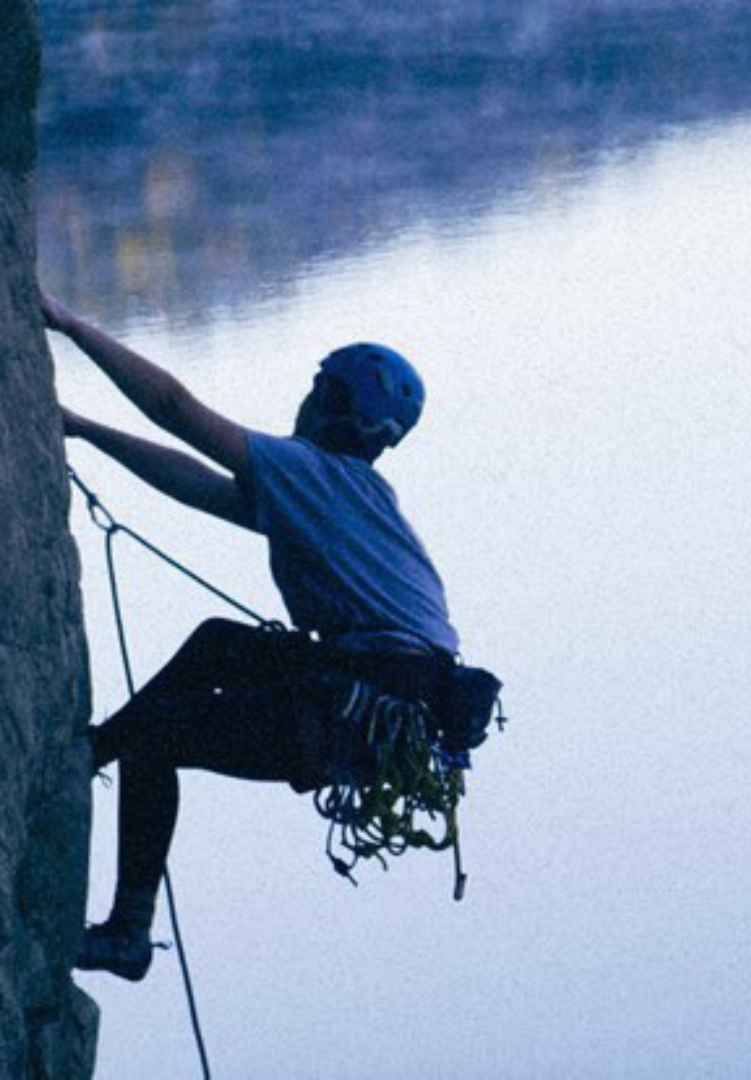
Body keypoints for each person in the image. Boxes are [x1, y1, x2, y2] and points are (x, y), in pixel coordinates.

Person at [42, 292, 464, 982]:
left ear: (339, 408)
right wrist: (84, 429)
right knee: (219, 641)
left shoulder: (314, 473)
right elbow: (201, 488)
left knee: (159, 739)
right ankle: (97, 747)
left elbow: (178, 411)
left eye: (318, 389)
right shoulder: (349, 492)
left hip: (366, 703)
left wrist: (71, 325)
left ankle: (127, 932)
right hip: (383, 692)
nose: (304, 399)